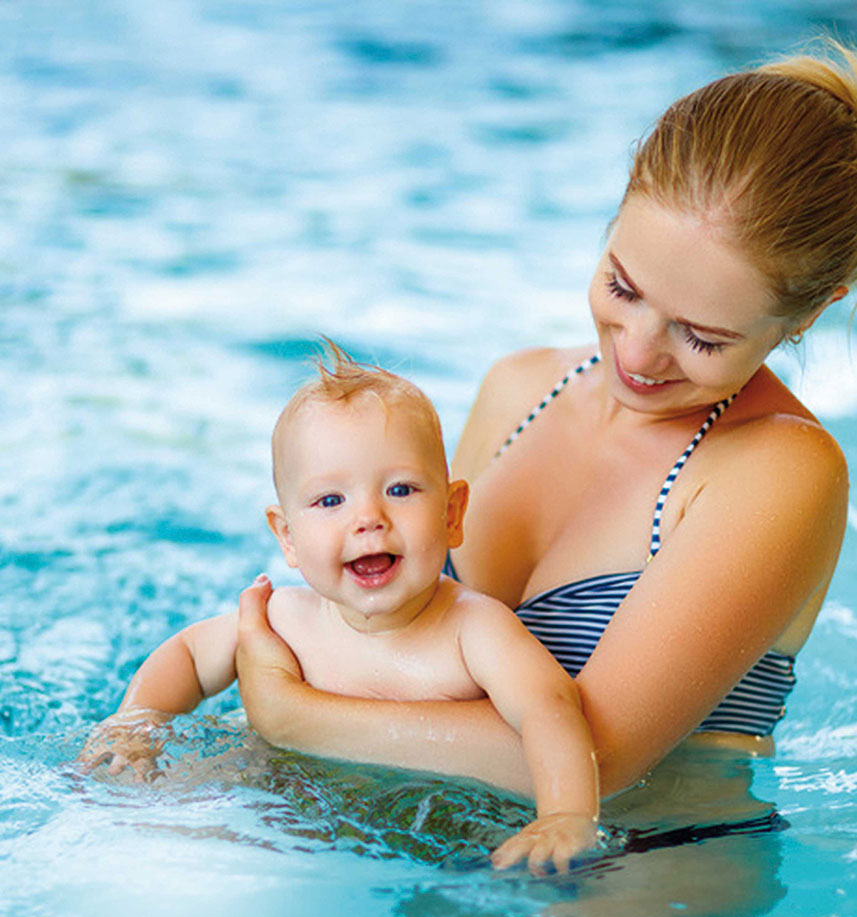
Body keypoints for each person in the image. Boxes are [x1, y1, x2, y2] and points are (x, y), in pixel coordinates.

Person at [233, 42, 854, 803]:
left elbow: (598, 759)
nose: (636, 353)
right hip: (416, 840)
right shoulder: (518, 387)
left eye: (702, 337)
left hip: (638, 878)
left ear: (812, 312)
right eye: (621, 287)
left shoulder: (778, 469)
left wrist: (291, 715)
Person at [80, 347, 600, 873]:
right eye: (331, 501)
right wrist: (135, 727)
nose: (368, 518)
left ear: (451, 514)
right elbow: (189, 656)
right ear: (287, 536)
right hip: (277, 810)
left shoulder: (475, 630)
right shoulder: (285, 621)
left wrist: (566, 814)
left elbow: (548, 710)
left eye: (400, 489)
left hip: (425, 843)